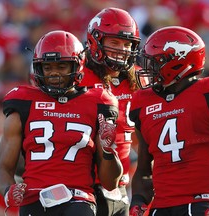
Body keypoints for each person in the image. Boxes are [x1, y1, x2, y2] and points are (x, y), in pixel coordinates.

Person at [128, 26, 209, 216]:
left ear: (178, 62)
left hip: (204, 203)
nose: (149, 69)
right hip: (161, 207)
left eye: (156, 62)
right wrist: (138, 200)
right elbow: (145, 169)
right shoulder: (143, 101)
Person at [0, 30, 123, 216]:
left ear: (77, 65)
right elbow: (3, 169)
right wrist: (8, 192)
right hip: (34, 200)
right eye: (48, 67)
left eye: (61, 66)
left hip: (78, 199)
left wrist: (109, 150)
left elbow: (110, 183)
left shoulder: (99, 103)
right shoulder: (23, 103)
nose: (54, 73)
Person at [79, 7, 141, 216]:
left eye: (127, 44)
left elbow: (142, 139)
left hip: (120, 187)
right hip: (81, 187)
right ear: (96, 41)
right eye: (114, 42)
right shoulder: (77, 77)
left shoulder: (139, 80)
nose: (122, 49)